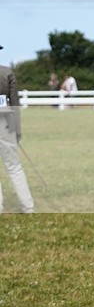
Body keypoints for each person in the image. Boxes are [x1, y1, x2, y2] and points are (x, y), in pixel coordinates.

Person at [0, 47, 35, 213]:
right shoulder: (7, 73)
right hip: (6, 123)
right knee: (14, 166)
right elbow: (14, 104)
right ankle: (27, 207)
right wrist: (17, 129)